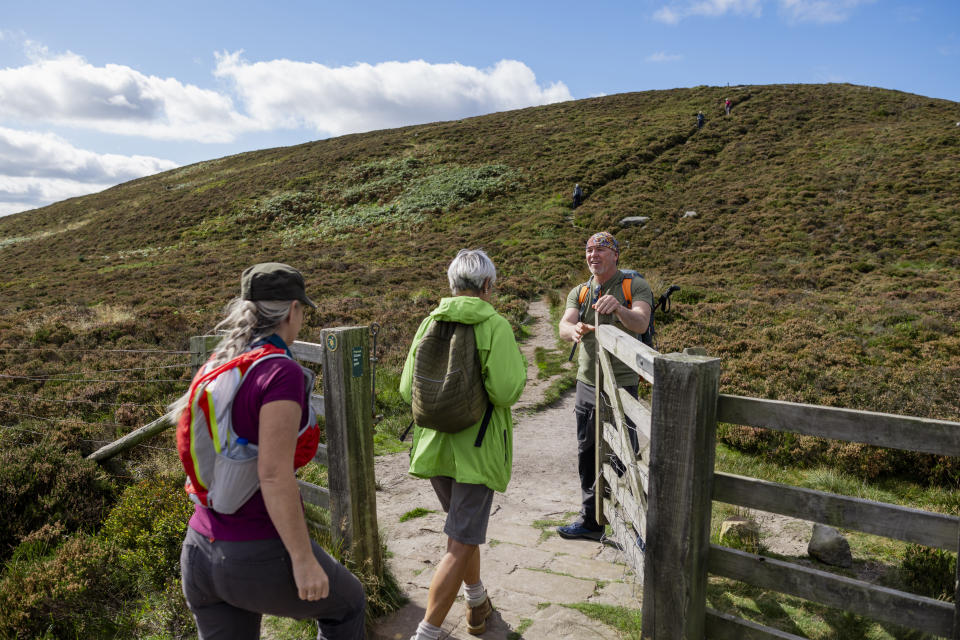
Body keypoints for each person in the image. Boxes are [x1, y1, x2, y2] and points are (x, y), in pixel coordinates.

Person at [173, 262, 366, 640]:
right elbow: (274, 474)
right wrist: (302, 558)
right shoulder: (281, 374)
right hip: (253, 553)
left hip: (198, 551)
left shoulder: (218, 364)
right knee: (348, 603)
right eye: (302, 311)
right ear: (293, 309)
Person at [400, 249, 526, 640]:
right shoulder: (494, 325)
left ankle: (476, 604)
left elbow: (407, 389)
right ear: (487, 285)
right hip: (477, 449)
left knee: (461, 534)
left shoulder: (428, 323)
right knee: (460, 542)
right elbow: (506, 392)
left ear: (452, 284)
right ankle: (427, 633)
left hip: (433, 446)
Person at [556, 233, 653, 540]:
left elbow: (640, 323)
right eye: (588, 249)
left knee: (625, 454)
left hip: (622, 384)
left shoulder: (633, 285)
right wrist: (574, 330)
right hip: (586, 382)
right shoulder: (582, 290)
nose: (593, 254)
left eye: (600, 249)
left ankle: (638, 525)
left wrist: (619, 310)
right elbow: (564, 324)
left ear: (615, 255)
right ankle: (591, 521)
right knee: (587, 452)